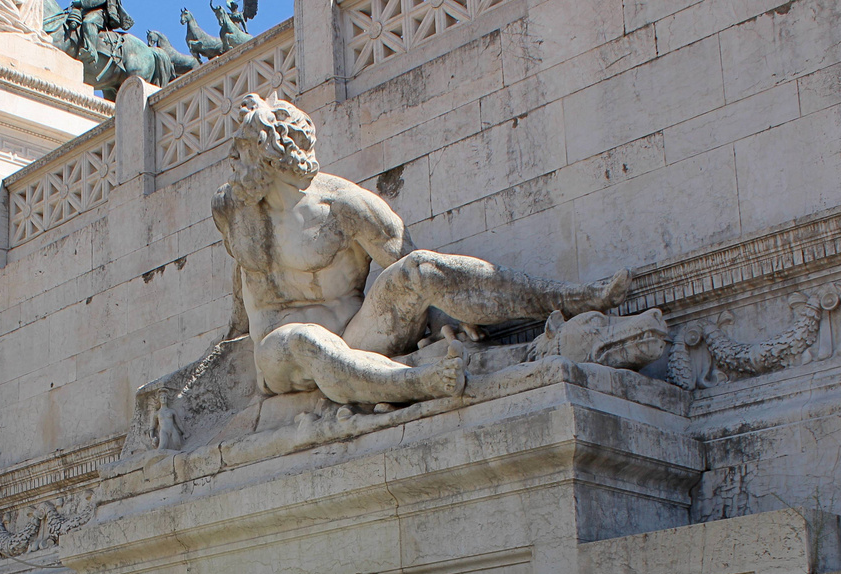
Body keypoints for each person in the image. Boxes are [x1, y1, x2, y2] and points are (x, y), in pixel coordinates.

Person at [212, 94, 631, 406]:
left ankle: (571, 298)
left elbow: (403, 264)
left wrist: (440, 316)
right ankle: (419, 383)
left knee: (421, 269)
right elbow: (243, 283)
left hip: (360, 337)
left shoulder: (345, 207)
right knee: (308, 339)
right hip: (281, 354)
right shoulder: (232, 209)